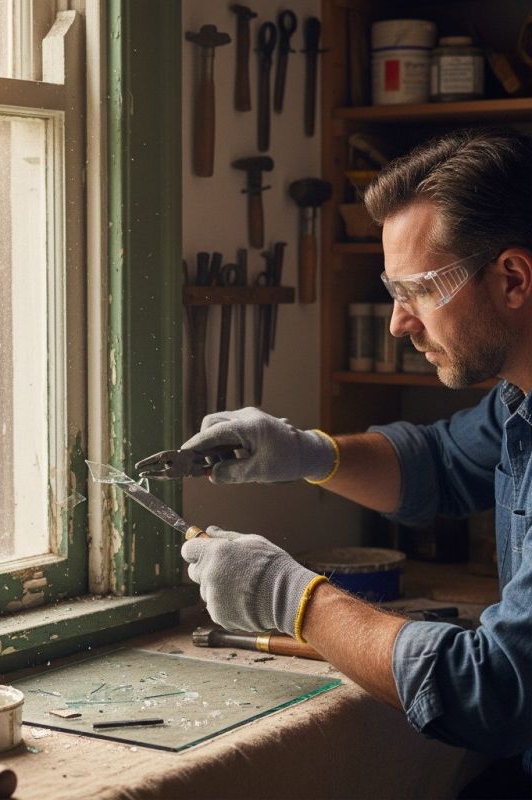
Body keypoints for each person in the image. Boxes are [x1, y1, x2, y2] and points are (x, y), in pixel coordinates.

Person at [180, 128, 532, 796]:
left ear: (512, 278)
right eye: (392, 292)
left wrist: (294, 598)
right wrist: (307, 452)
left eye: (419, 291)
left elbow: (493, 691)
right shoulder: (521, 397)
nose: (400, 323)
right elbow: (441, 460)